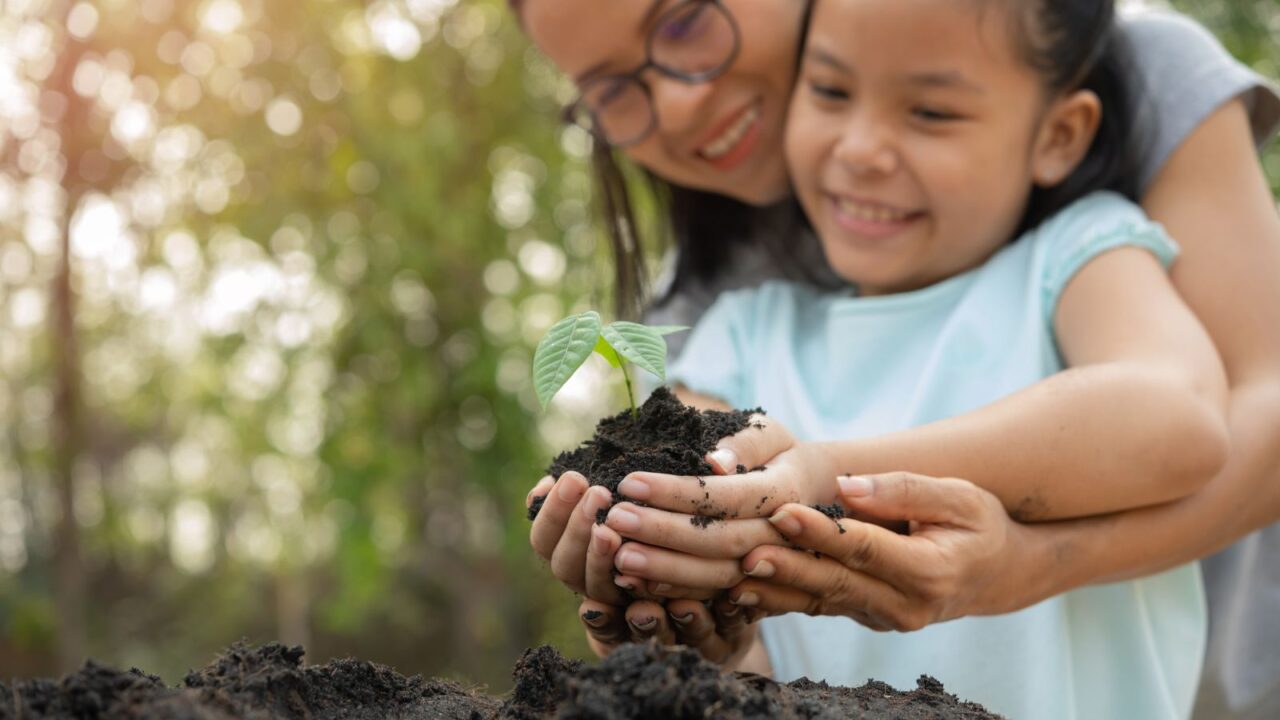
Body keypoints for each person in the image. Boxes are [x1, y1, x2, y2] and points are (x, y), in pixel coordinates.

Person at [511, 0, 1280, 716]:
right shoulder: (728, 331)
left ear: (1060, 135)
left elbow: (1181, 415)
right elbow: (750, 644)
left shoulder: (1081, 255)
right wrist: (672, 596)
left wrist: (830, 473)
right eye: (832, 93)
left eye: (930, 111)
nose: (861, 150)